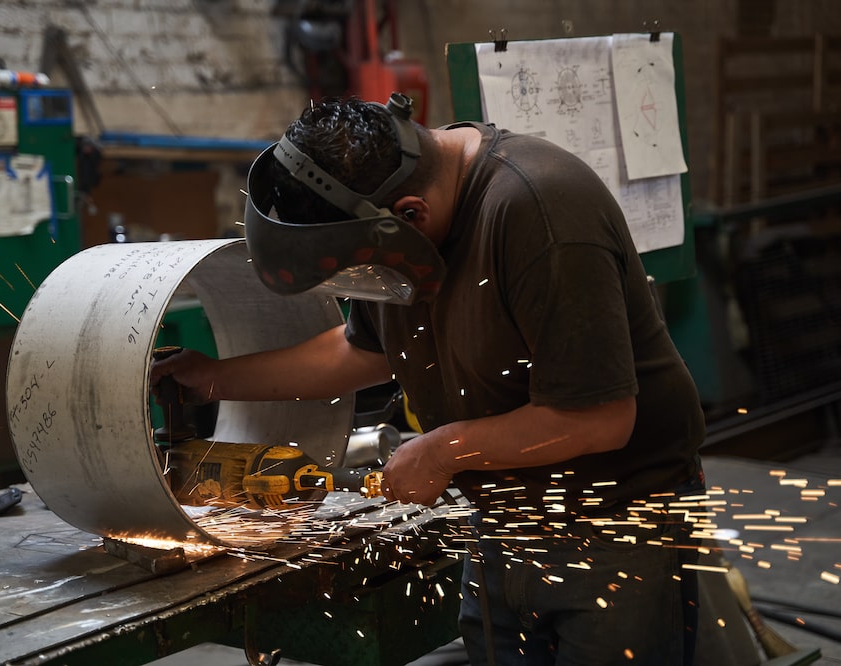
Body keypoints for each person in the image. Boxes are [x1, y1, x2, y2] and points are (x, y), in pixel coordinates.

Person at [151, 92, 707, 665]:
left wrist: (442, 453)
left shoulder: (540, 211)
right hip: (501, 516)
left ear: (409, 217)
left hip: (614, 524)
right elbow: (359, 351)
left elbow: (600, 418)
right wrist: (212, 379)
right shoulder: (388, 220)